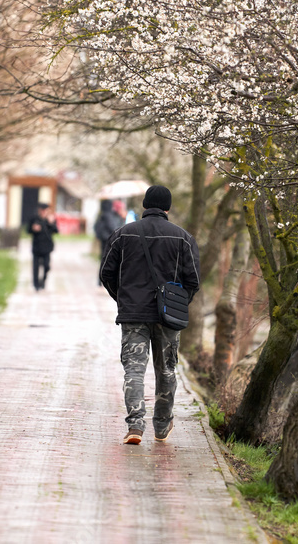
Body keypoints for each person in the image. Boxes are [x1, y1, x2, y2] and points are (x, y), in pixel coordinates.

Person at [99, 185, 200, 444]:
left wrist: (122, 299)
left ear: (144, 205)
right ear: (167, 207)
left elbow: (106, 273)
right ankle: (162, 426)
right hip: (168, 316)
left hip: (133, 313)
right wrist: (177, 303)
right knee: (166, 370)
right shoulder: (183, 238)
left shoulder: (123, 234)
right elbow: (193, 280)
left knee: (133, 370)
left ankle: (135, 426)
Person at [27, 203, 58, 291]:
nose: (44, 212)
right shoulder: (34, 219)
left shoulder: (51, 219)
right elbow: (28, 231)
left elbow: (56, 231)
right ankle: (36, 285)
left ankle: (43, 281)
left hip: (47, 247)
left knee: (46, 266)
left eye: (46, 210)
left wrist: (51, 223)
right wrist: (33, 229)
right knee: (36, 267)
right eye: (42, 210)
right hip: (36, 246)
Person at [93, 199, 125, 285]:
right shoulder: (108, 215)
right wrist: (122, 219)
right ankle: (103, 281)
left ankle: (100, 281)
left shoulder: (103, 214)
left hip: (104, 240)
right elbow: (115, 228)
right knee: (107, 261)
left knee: (103, 260)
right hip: (109, 241)